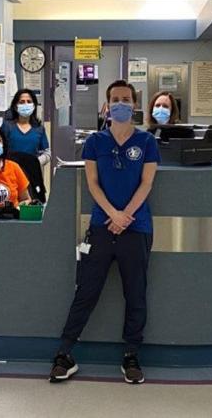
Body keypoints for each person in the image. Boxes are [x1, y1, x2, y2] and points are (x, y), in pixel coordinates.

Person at [50, 80, 159, 385]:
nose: (121, 103)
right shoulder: (95, 142)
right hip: (101, 227)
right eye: (115, 99)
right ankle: (65, 353)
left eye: (126, 99)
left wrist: (126, 216)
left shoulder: (146, 142)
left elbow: (147, 183)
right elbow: (93, 183)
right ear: (107, 106)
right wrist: (113, 214)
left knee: (135, 293)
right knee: (86, 291)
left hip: (136, 228)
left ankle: (131, 355)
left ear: (134, 105)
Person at [2, 89, 50, 165]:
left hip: (32, 172)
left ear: (34, 106)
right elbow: (0, 149)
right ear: (15, 106)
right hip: (11, 172)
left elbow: (47, 153)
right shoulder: (7, 126)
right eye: (22, 102)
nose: (26, 104)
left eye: (29, 101)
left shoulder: (39, 129)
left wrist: (36, 162)